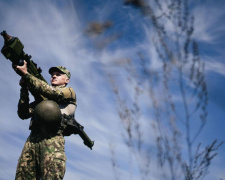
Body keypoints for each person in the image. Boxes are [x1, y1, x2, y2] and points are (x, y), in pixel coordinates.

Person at [13, 60, 76, 180]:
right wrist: (24, 89)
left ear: (66, 80)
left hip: (52, 140)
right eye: (53, 74)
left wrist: (27, 75)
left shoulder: (69, 92)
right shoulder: (43, 99)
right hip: (32, 141)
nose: (54, 76)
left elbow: (51, 92)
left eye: (58, 74)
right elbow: (23, 113)